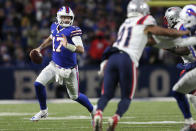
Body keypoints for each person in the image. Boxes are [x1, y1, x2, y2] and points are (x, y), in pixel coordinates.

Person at [92, 1, 193, 131]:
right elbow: (156, 34)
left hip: (113, 57)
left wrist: (162, 44)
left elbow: (149, 40)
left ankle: (99, 113)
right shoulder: (147, 20)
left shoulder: (125, 24)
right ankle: (115, 118)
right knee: (127, 97)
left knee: (106, 95)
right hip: (127, 59)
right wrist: (173, 38)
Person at [30, 6, 96, 122]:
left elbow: (81, 49)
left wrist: (67, 45)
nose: (66, 20)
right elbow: (51, 38)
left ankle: (93, 111)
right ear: (59, 18)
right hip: (54, 65)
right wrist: (40, 48)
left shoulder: (73, 30)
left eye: (68, 18)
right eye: (64, 17)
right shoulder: (54, 26)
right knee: (38, 84)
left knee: (75, 96)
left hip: (69, 69)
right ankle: (43, 111)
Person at [164, 6, 196, 131]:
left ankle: (190, 123)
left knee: (181, 92)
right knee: (189, 94)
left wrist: (168, 47)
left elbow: (186, 49)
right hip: (191, 64)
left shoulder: (181, 27)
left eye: (168, 19)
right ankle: (190, 123)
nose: (167, 23)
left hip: (192, 64)